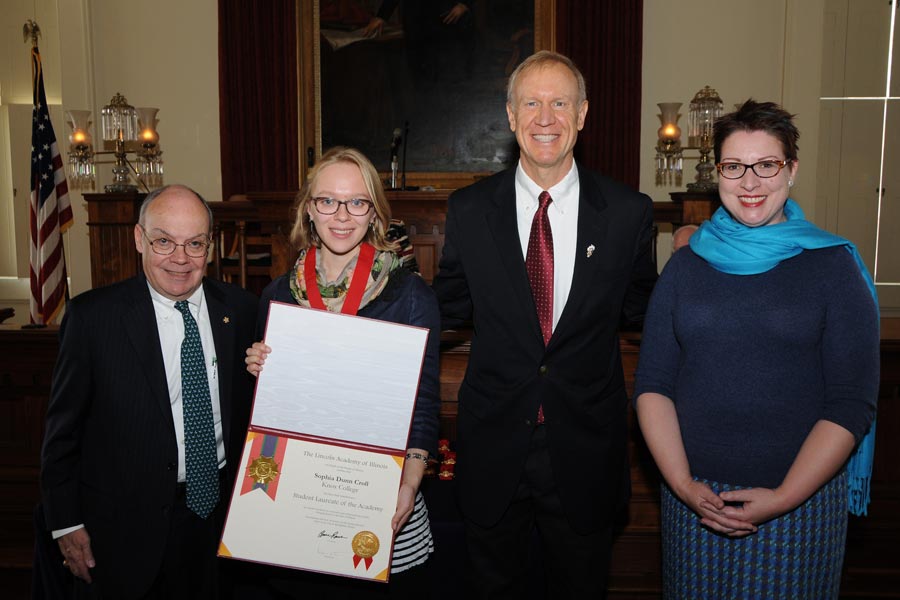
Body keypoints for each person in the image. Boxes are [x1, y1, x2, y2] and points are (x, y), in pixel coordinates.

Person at [431, 50, 658, 598]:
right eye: (531, 102)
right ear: (510, 116)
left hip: (585, 451)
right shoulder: (469, 209)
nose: (545, 117)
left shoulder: (629, 213)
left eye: (560, 102)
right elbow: (442, 310)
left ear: (583, 114)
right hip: (493, 450)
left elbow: (646, 310)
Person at [634, 100, 879, 599]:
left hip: (799, 504)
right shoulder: (685, 265)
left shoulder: (833, 265)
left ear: (791, 169)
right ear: (717, 172)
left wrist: (784, 497)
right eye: (734, 167)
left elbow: (851, 402)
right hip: (694, 500)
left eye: (766, 165)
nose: (750, 183)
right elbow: (653, 384)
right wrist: (681, 485)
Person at [40, 185, 259, 599]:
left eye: (195, 243)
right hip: (124, 531)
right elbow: (61, 434)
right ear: (140, 239)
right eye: (164, 241)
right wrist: (66, 523)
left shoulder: (243, 310)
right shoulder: (93, 319)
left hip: (219, 522)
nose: (181, 258)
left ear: (210, 246)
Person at [243, 146, 441, 598]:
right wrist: (258, 372)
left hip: (381, 494)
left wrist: (409, 484)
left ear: (374, 212)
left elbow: (423, 403)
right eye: (327, 200)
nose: (342, 215)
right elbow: (267, 416)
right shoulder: (277, 296)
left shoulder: (409, 296)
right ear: (308, 209)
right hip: (297, 498)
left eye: (357, 201)